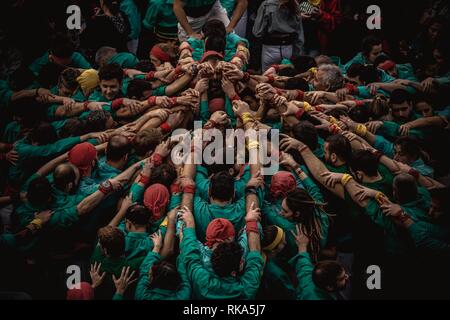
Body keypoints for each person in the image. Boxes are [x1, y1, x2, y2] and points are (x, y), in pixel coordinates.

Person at [252, 0, 305, 72]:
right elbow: (299, 35)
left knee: (267, 78)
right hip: (288, 49)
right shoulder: (295, 4)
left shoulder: (267, 5)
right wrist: (297, 54)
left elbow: (257, 32)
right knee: (286, 78)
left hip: (270, 49)